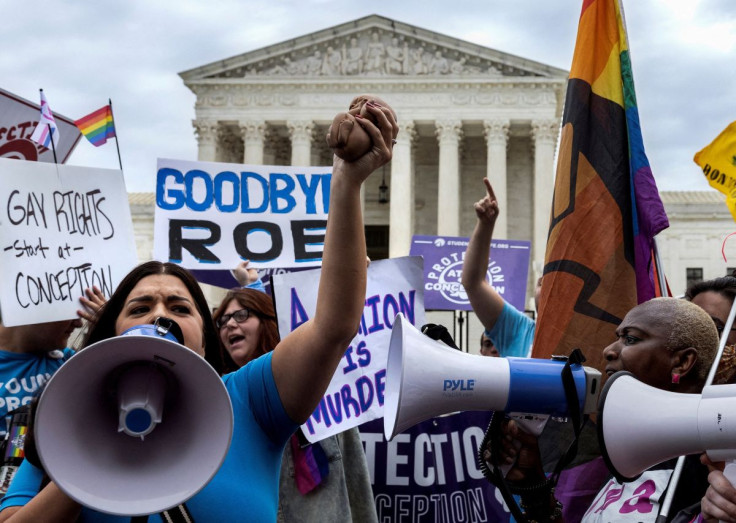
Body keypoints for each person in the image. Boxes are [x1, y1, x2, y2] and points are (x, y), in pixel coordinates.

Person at [0, 98, 398, 522]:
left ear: (206, 336)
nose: (160, 315)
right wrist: (88, 460)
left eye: (178, 306)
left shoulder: (249, 399)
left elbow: (334, 326)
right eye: (139, 307)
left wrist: (347, 182)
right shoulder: (63, 419)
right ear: (111, 330)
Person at [486, 297, 717, 522]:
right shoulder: (629, 455)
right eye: (618, 337)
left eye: (631, 339)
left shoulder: (713, 465)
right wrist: (533, 486)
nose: (608, 350)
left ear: (682, 362)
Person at [213, 286, 377, 522]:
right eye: (223, 320)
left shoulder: (323, 391)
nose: (229, 324)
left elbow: (357, 487)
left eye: (242, 315)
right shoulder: (218, 400)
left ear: (268, 321)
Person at [462, 178, 539, 358]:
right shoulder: (519, 330)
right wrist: (485, 224)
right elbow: (473, 283)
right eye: (542, 282)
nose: (547, 284)